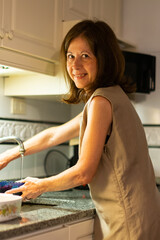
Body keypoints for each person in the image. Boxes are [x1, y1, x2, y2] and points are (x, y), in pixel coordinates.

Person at [0, 20, 160, 240]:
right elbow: (55, 134)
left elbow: (84, 171)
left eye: (85, 55)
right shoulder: (111, 96)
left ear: (103, 59)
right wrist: (8, 154)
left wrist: (40, 185)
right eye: (70, 55)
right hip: (143, 213)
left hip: (127, 219)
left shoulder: (101, 102)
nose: (75, 65)